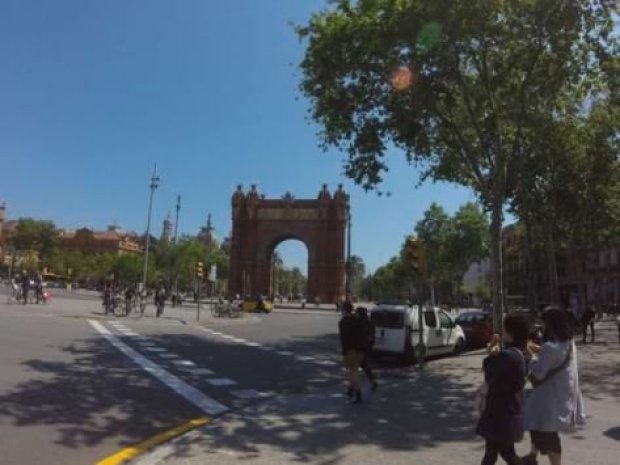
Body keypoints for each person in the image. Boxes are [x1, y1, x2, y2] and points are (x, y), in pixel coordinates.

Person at [522, 308, 585, 465]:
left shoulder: (551, 348)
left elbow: (536, 377)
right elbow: (552, 357)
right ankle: (532, 454)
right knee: (535, 423)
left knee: (548, 433)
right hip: (564, 392)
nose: (541, 326)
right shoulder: (569, 342)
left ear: (550, 324)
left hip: (550, 396)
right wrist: (538, 350)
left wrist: (528, 358)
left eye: (543, 322)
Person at [476, 314, 529, 465]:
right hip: (508, 410)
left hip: (500, 413)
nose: (502, 333)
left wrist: (491, 354)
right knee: (497, 452)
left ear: (511, 334)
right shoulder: (521, 353)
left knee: (503, 453)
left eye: (504, 330)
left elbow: (489, 373)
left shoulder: (507, 356)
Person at [338, 300, 362, 404]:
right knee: (353, 371)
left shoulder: (343, 323)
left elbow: (344, 339)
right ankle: (351, 389)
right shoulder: (356, 319)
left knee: (352, 373)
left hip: (349, 350)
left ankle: (358, 394)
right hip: (358, 349)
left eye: (342, 309)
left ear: (344, 310)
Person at [356, 307, 378, 391]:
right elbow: (372, 337)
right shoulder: (369, 323)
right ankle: (373, 382)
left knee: (356, 367)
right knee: (364, 366)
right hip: (367, 348)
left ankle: (352, 388)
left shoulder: (359, 323)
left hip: (361, 348)